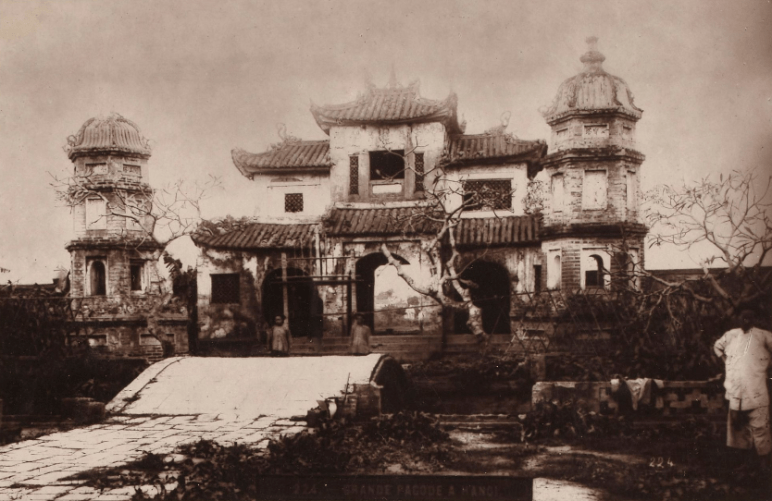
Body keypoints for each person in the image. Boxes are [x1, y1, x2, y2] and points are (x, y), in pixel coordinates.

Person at [713, 309, 772, 474]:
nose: (746, 320)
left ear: (754, 318)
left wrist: (767, 365)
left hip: (756, 389)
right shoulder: (731, 335)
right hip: (736, 389)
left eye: (749, 317)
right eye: (743, 317)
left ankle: (764, 466)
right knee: (739, 431)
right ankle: (745, 464)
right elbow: (717, 347)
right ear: (739, 318)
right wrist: (727, 363)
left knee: (761, 429)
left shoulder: (763, 336)